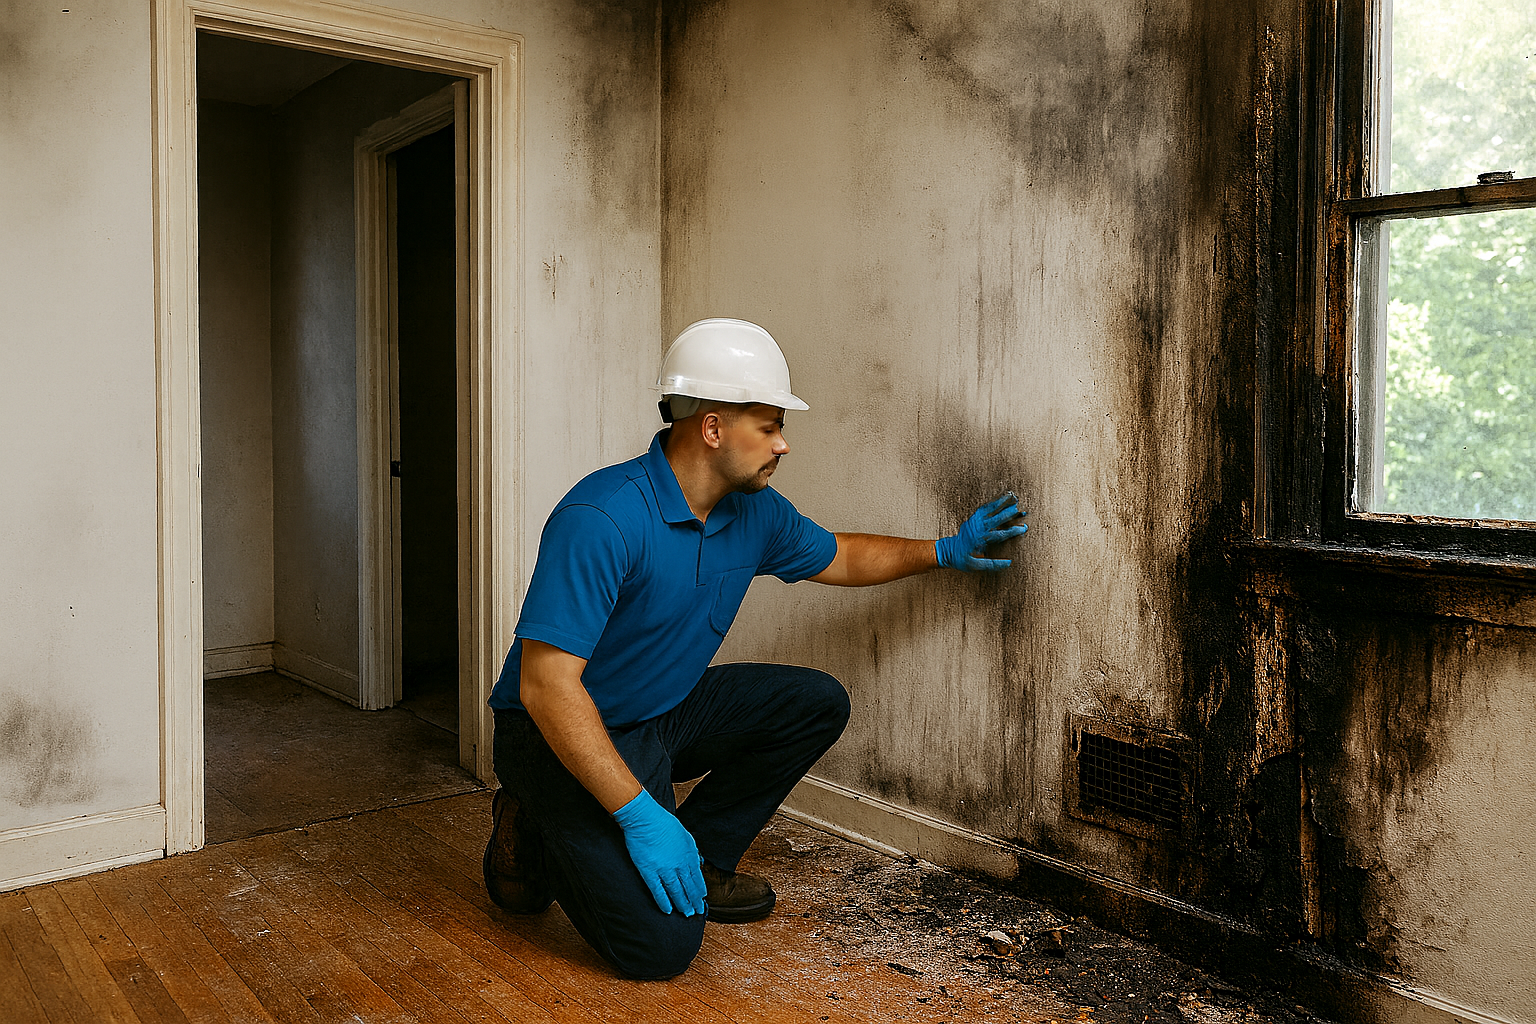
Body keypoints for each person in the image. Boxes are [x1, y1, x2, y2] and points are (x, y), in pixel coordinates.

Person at [483, 318, 1027, 979]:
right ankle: (530, 813)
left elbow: (843, 555)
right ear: (713, 428)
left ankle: (699, 858)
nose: (783, 444)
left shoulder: (754, 512)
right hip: (554, 733)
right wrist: (638, 816)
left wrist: (943, 550)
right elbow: (546, 688)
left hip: (659, 712)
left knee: (812, 703)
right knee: (660, 949)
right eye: (768, 425)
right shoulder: (601, 519)